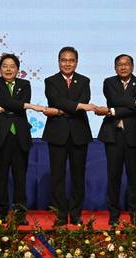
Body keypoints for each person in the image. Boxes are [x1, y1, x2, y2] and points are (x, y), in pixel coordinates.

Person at [0, 53, 45, 225]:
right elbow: (0, 100)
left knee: (20, 177)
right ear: (0, 68)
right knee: (0, 176)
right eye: (5, 66)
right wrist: (27, 106)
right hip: (0, 136)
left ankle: (20, 214)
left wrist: (10, 106)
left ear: (18, 69)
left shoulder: (25, 84)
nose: (8, 69)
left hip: (20, 136)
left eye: (12, 66)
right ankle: (1, 213)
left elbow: (10, 103)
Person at [96, 54, 136, 225]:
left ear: (132, 66)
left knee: (134, 177)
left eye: (126, 64)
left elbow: (133, 111)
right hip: (113, 135)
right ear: (115, 68)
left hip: (134, 136)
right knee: (113, 177)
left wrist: (111, 111)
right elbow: (114, 100)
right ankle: (113, 215)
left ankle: (135, 215)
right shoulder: (109, 82)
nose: (123, 67)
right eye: (119, 65)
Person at [42, 47, 96, 226]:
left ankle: (75, 214)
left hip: (79, 133)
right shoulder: (50, 81)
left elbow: (85, 100)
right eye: (64, 60)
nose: (67, 63)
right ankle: (60, 214)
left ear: (76, 62)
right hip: (57, 134)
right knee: (57, 176)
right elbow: (55, 100)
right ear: (58, 62)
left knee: (78, 176)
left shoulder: (84, 80)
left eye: (71, 60)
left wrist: (64, 109)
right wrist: (78, 106)